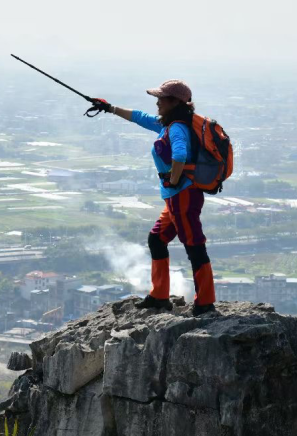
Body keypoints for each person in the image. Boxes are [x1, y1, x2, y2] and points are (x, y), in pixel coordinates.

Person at [91, 81, 217, 315]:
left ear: (175, 103)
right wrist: (109, 108)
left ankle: (205, 302)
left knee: (194, 246)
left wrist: (174, 179)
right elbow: (139, 117)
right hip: (174, 197)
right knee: (157, 240)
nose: (157, 102)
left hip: (183, 196)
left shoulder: (177, 128)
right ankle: (159, 296)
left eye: (162, 98)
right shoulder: (166, 125)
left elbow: (179, 154)